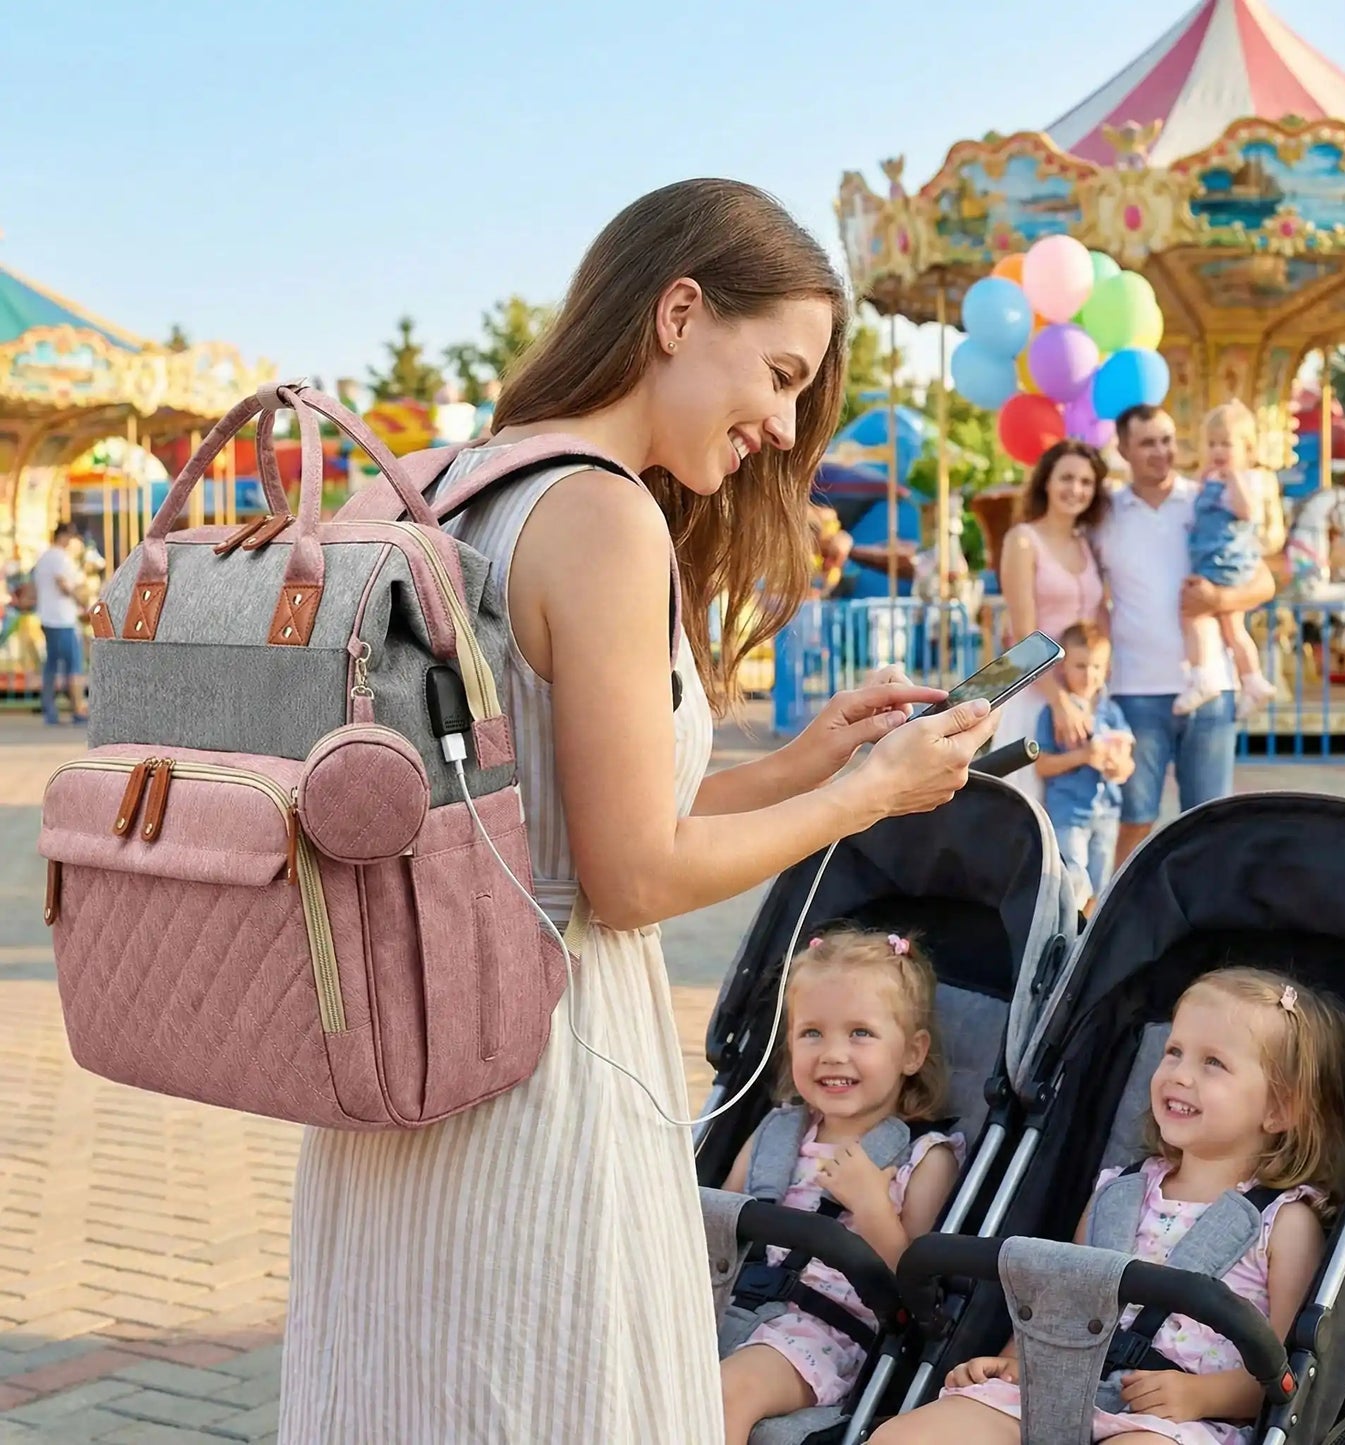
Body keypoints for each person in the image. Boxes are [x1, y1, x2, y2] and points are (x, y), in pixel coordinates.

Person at [278, 179, 998, 1445]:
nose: (780, 423)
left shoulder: (437, 481)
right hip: (538, 1068)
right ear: (678, 310)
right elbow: (629, 876)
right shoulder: (601, 511)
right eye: (775, 372)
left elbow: (542, 815)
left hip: (398, 1055)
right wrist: (862, 795)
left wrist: (796, 764)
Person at [874, 966, 1345, 1445]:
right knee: (906, 1435)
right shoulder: (1120, 1191)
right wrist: (1016, 1363)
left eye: (1212, 1063)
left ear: (1280, 1108)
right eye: (1173, 1052)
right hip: (1063, 1386)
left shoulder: (1284, 1222)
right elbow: (1060, 1299)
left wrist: (1201, 1395)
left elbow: (1282, 1376)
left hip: (1179, 1421)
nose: (1180, 1075)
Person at [719, 928, 963, 1443]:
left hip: (818, 1333)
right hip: (726, 1301)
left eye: (860, 1034)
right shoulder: (775, 1132)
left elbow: (917, 1295)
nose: (832, 1053)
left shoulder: (925, 1157)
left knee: (721, 1396)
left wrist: (873, 1207)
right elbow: (715, 1225)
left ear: (912, 1053)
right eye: (812, 1033)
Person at [1094, 406, 1275, 871]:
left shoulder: (1207, 499)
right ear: (1124, 449)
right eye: (1148, 443)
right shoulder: (1105, 514)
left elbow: (1265, 583)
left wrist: (1217, 598)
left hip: (1211, 687)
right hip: (1135, 690)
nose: (1161, 452)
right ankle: (1113, 921)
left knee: (1209, 818)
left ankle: (1211, 924)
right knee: (1135, 819)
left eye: (1168, 440)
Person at [993, 440, 1110, 800]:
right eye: (1067, 478)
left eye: (1086, 482)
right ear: (1046, 481)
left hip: (1083, 695)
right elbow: (1023, 637)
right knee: (1032, 809)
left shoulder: (1087, 544)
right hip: (1036, 696)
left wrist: (1090, 696)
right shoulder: (1023, 541)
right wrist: (1059, 702)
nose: (1075, 489)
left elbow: (1099, 621)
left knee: (1083, 810)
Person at [1174, 403, 1277, 720]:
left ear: (1247, 448)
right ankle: (1253, 680)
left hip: (1222, 563)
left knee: (1192, 615)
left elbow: (1249, 512)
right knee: (1233, 627)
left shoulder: (1249, 480)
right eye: (1213, 443)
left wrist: (1232, 477)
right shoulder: (1211, 481)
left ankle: (1201, 676)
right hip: (1214, 559)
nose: (1218, 450)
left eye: (1226, 444)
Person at [1034, 623, 1133, 913]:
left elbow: (1126, 764)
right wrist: (1084, 756)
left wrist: (1117, 767)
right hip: (1069, 813)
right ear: (1063, 667)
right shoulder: (1053, 714)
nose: (1089, 675)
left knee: (1100, 884)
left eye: (1096, 666)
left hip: (1106, 812)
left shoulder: (1111, 713)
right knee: (1074, 879)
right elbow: (1042, 765)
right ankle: (1067, 933)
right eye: (1080, 665)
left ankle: (1084, 939)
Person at [31, 521, 88, 726]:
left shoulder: (44, 557)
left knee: (52, 665)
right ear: (66, 536)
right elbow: (63, 584)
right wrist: (81, 600)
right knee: (74, 665)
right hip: (63, 618)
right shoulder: (60, 558)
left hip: (47, 616)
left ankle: (50, 710)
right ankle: (78, 708)